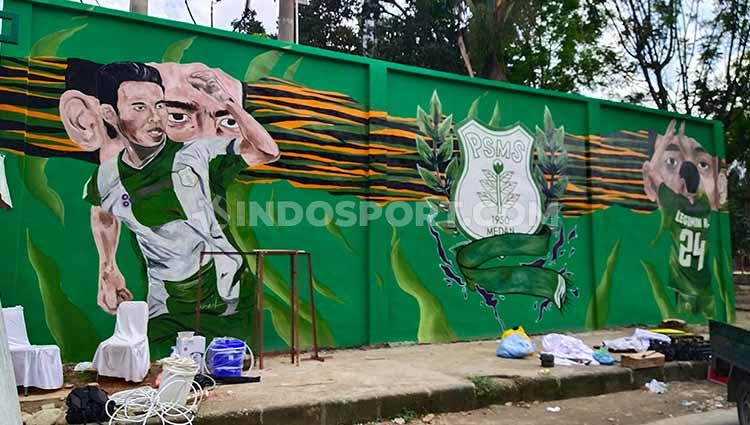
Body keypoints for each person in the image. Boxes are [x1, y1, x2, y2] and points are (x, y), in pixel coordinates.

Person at [82, 62, 279, 355]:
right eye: (139, 107)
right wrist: (107, 267)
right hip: (166, 307)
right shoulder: (107, 177)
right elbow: (103, 213)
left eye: (160, 106)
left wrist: (227, 102)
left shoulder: (196, 153)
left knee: (226, 378)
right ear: (110, 114)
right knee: (157, 375)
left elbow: (267, 151)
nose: (154, 118)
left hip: (225, 300)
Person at [641, 120, 727, 317]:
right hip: (704, 285)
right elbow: (695, 184)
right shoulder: (704, 206)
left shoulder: (674, 204)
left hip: (683, 285)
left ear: (680, 182)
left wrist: (667, 141)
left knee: (683, 326)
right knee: (709, 327)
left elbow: (652, 170)